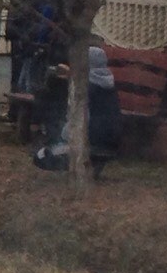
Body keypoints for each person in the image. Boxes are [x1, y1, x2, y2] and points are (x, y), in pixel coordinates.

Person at [33, 46, 121, 177]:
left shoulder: (84, 87)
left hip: (89, 142)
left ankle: (79, 166)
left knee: (40, 156)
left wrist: (63, 137)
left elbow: (78, 120)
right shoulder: (109, 83)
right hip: (112, 143)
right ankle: (93, 166)